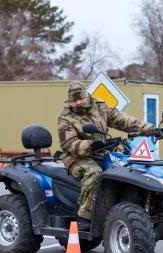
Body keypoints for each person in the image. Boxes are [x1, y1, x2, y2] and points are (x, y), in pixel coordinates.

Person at [58, 81, 157, 225]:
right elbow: (68, 144)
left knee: (129, 167)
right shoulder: (65, 117)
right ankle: (84, 216)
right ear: (70, 100)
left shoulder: (100, 106)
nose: (79, 103)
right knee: (94, 173)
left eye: (81, 99)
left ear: (87, 95)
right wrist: (90, 145)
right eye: (75, 100)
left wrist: (150, 129)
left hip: (102, 151)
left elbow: (122, 120)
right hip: (77, 157)